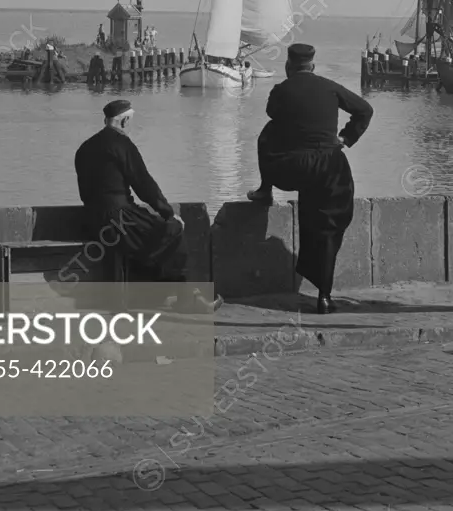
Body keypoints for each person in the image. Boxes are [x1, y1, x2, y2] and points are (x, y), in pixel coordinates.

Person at [246, 44, 374, 314]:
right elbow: (365, 109)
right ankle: (324, 295)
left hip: (292, 167)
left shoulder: (281, 90)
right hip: (330, 166)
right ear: (313, 66)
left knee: (268, 133)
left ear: (288, 66)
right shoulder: (330, 86)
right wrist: (345, 137)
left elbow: (273, 115)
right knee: (326, 227)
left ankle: (265, 189)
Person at [74, 100, 221, 310]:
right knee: (173, 230)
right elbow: (143, 184)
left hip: (92, 219)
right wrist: (168, 212)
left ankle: (163, 295)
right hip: (118, 219)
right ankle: (186, 298)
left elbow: (85, 191)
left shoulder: (84, 148)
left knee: (149, 238)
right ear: (124, 121)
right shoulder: (122, 144)